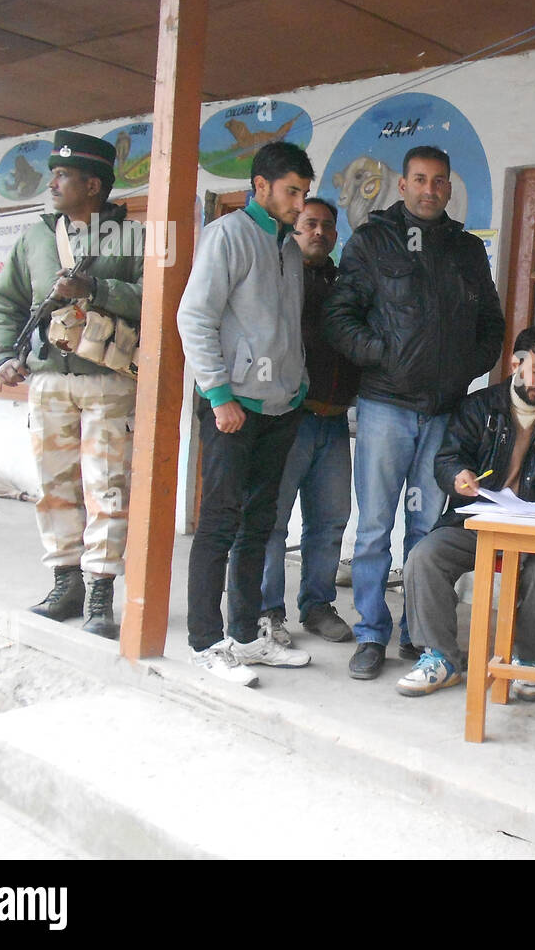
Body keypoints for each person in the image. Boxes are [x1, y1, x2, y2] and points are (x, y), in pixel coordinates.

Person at [324, 145, 505, 681]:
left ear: (449, 189)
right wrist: (385, 357)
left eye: (440, 181)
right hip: (385, 406)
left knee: (427, 527)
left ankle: (418, 635)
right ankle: (371, 633)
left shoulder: (467, 249)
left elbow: (491, 323)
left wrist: (464, 368)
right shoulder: (373, 240)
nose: (430, 189)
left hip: (446, 411)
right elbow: (340, 316)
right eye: (420, 180)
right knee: (376, 525)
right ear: (402, 185)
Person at [396, 325, 535, 698]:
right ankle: (440, 658)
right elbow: (448, 458)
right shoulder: (479, 406)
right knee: (425, 557)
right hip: (478, 520)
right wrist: (457, 476)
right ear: (515, 363)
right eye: (534, 369)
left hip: (534, 529)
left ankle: (525, 660)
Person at [0, 130, 143, 640]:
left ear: (93, 184)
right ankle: (65, 583)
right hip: (50, 379)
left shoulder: (135, 236)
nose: (52, 183)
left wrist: (96, 288)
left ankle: (100, 592)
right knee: (55, 487)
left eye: (63, 175)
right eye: (53, 173)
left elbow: (159, 299)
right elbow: (8, 303)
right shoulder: (34, 238)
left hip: (109, 380)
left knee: (108, 488)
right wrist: (4, 354)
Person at [177, 141, 316, 686]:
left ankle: (243, 635)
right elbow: (195, 318)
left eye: (304, 193)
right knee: (218, 524)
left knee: (260, 525)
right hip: (233, 409)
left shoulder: (287, 246)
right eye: (291, 191)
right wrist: (218, 395)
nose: (299, 203)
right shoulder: (227, 236)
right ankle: (205, 643)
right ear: (260, 186)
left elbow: (285, 326)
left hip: (281, 407)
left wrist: (297, 384)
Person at [229, 197, 360, 647]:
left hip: (334, 419)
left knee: (330, 520)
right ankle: (268, 612)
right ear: (294, 229)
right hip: (288, 417)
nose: (319, 232)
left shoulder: (345, 284)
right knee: (272, 519)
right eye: (310, 224)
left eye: (327, 226)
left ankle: (318, 605)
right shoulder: (278, 278)